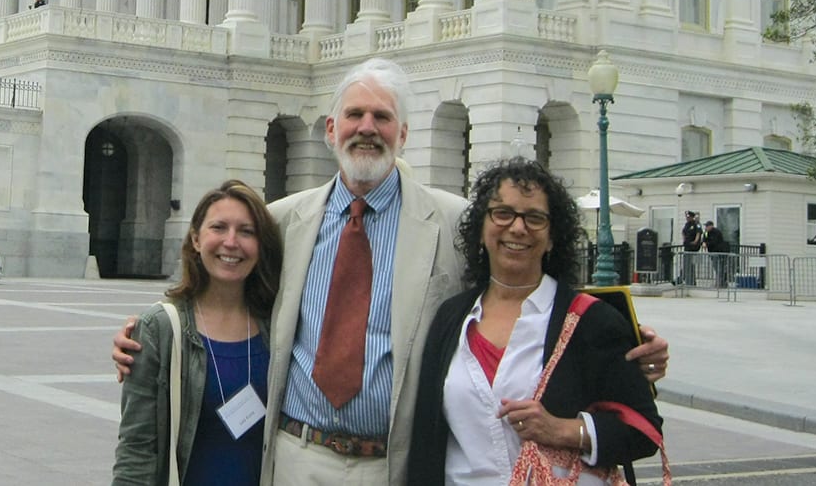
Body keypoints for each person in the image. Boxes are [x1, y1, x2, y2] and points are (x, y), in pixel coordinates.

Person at [114, 58, 670, 484]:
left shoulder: (454, 223)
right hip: (292, 457)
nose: (367, 128)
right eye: (355, 115)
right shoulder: (283, 222)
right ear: (331, 128)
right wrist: (153, 338)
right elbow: (223, 285)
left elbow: (519, 290)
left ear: (403, 134)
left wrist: (623, 343)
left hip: (393, 462)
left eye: (382, 117)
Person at [408, 158, 662, 485]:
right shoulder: (450, 317)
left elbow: (643, 430)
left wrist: (564, 430)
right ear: (481, 230)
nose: (517, 227)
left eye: (534, 218)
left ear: (553, 238)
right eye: (502, 213)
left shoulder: (591, 321)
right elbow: (427, 434)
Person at [113, 181, 283, 485]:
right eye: (218, 227)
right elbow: (136, 449)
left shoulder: (280, 324)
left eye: (247, 231)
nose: (231, 242)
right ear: (195, 239)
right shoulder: (158, 329)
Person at [678, 211, 703, 286]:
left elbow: (699, 233)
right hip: (687, 246)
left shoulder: (696, 224)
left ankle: (690, 281)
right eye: (686, 217)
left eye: (688, 217)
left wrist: (695, 241)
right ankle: (687, 280)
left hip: (693, 248)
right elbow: (683, 232)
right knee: (687, 264)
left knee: (691, 264)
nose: (687, 218)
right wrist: (684, 239)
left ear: (692, 217)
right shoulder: (687, 224)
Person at [703, 221, 730, 287]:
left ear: (711, 226)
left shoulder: (716, 232)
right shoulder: (706, 232)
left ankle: (720, 283)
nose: (706, 228)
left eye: (707, 226)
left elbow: (714, 242)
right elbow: (705, 238)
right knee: (716, 267)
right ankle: (720, 282)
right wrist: (703, 242)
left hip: (718, 252)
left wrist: (707, 244)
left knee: (720, 268)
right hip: (712, 252)